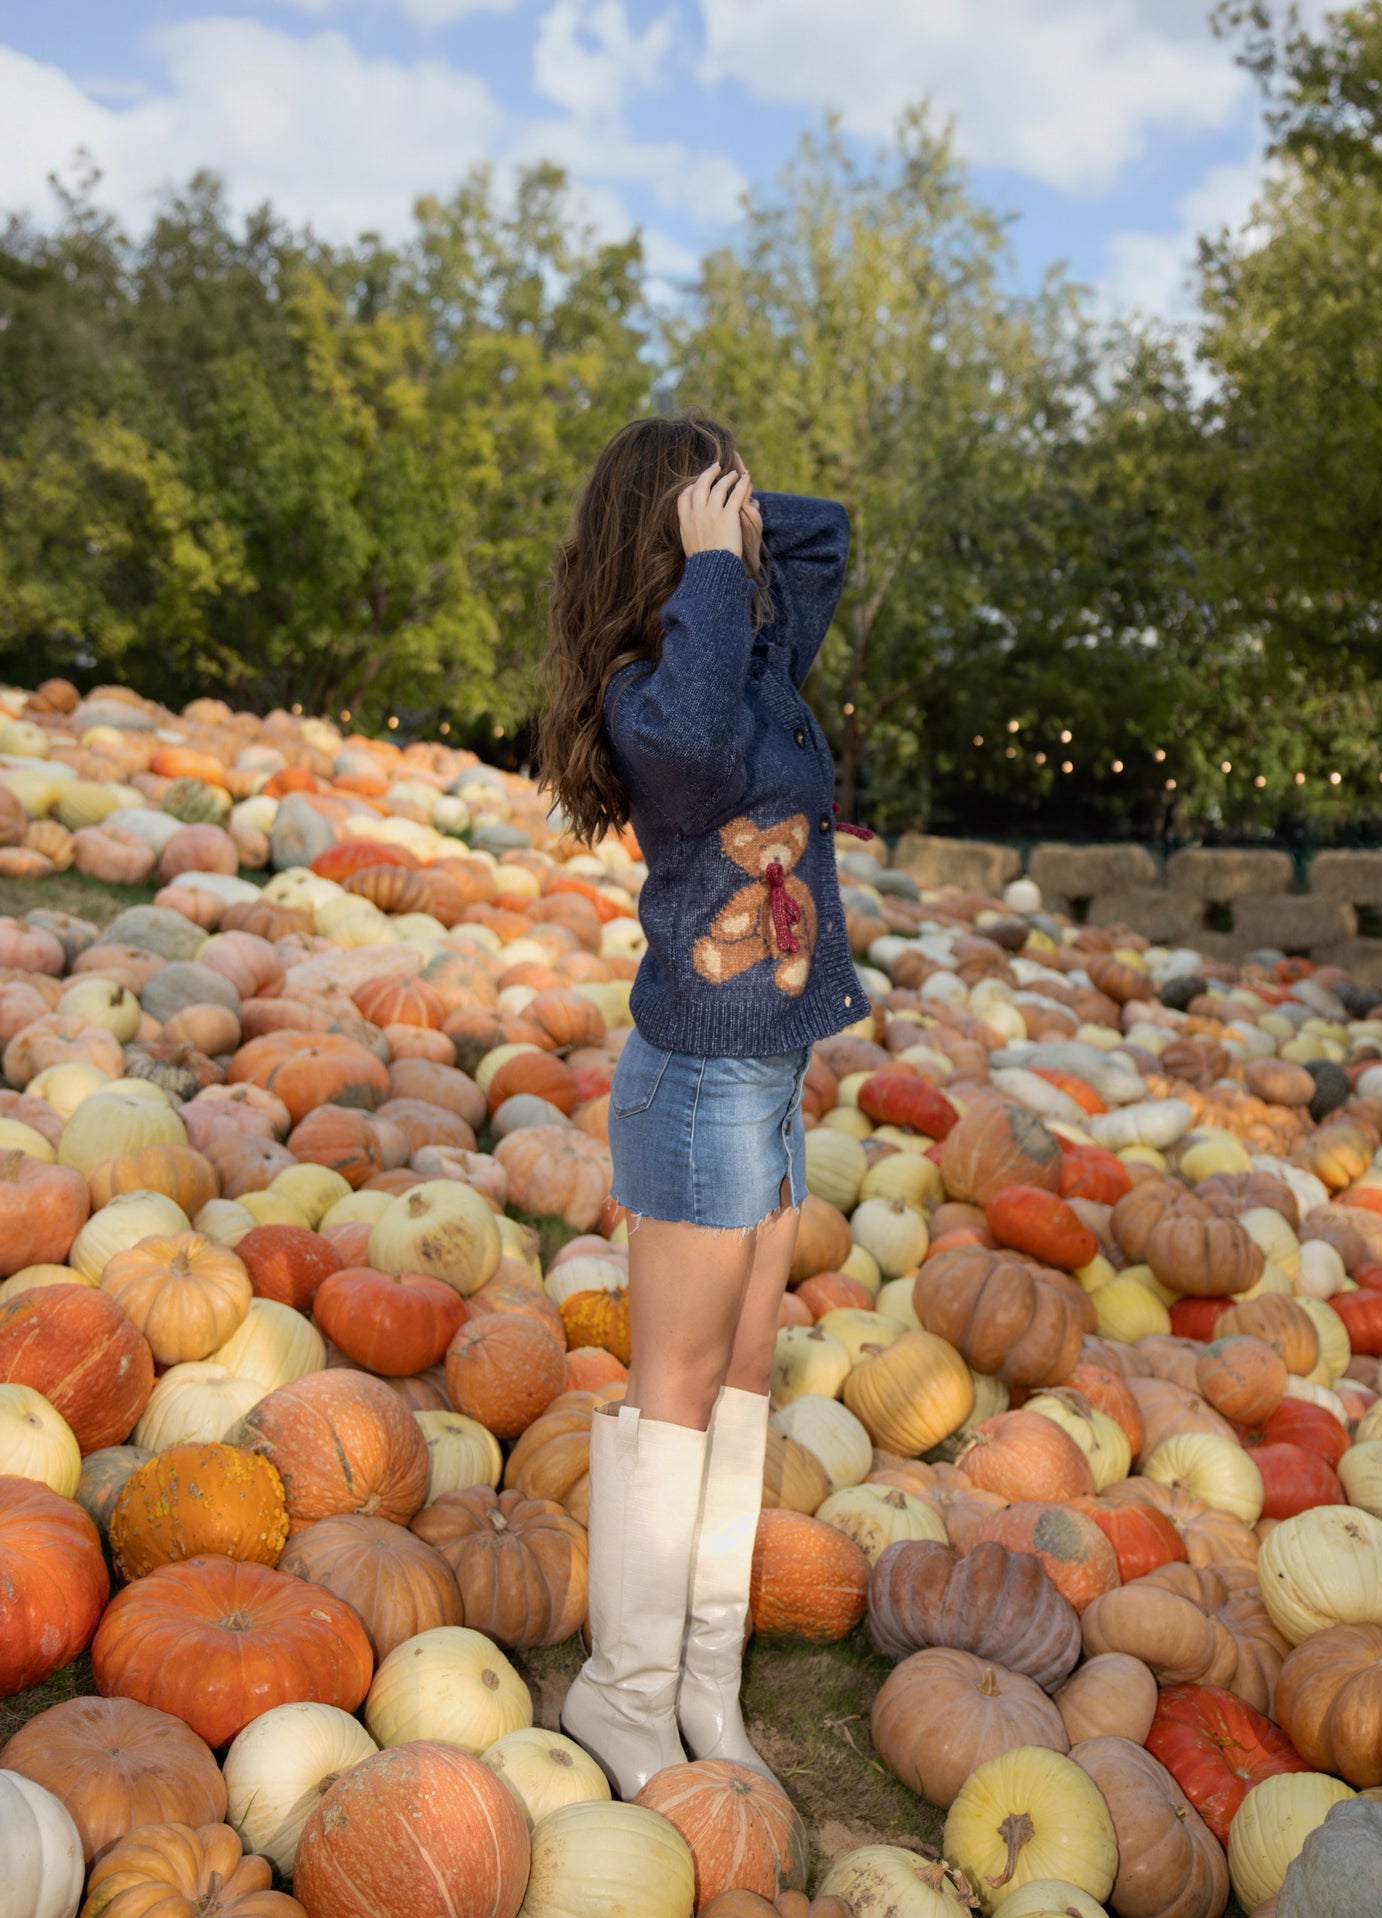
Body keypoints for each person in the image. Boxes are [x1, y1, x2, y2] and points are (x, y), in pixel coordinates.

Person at [535, 414, 870, 1800]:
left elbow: (828, 535)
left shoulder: (743, 655)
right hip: (696, 1084)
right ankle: (625, 1695)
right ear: (663, 544)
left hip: (771, 1077)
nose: (736, 528)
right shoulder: (649, 686)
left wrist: (723, 520)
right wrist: (702, 564)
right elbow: (680, 754)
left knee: (741, 1378)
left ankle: (703, 1686)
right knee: (671, 1384)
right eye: (706, 506)